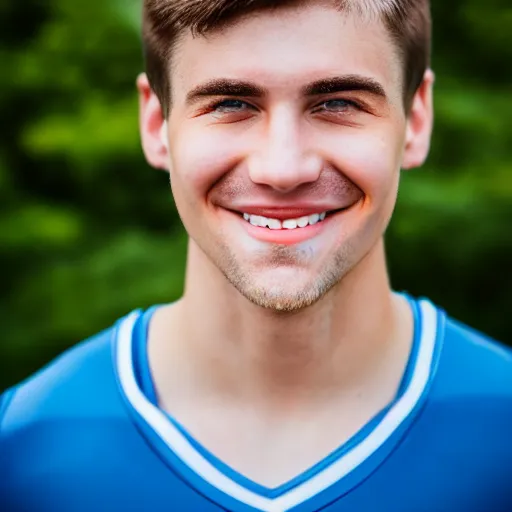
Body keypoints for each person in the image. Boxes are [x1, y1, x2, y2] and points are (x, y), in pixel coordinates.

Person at [1, 0, 511, 510]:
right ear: (156, 124)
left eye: (337, 103)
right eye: (230, 104)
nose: (283, 168)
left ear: (416, 121)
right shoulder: (21, 455)